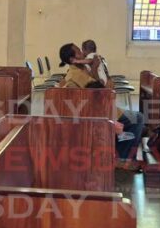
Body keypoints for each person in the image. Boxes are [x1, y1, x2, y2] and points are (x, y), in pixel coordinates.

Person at [58, 42, 145, 171]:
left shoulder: (82, 69)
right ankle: (122, 159)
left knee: (137, 120)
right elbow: (100, 92)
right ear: (72, 59)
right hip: (97, 112)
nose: (83, 53)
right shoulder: (75, 75)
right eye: (79, 51)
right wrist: (95, 69)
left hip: (100, 108)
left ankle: (121, 154)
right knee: (137, 118)